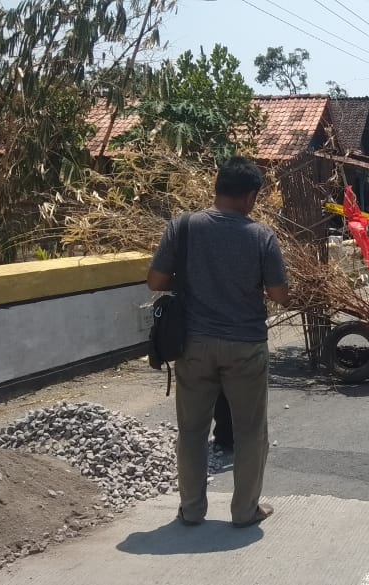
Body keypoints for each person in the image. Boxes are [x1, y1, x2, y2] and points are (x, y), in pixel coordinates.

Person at [147, 156, 289, 528]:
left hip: (193, 345)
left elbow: (156, 281)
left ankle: (191, 510)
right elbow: (279, 293)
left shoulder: (184, 227)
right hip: (245, 346)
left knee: (192, 432)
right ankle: (245, 512)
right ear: (250, 196)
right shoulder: (261, 236)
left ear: (217, 188)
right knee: (250, 432)